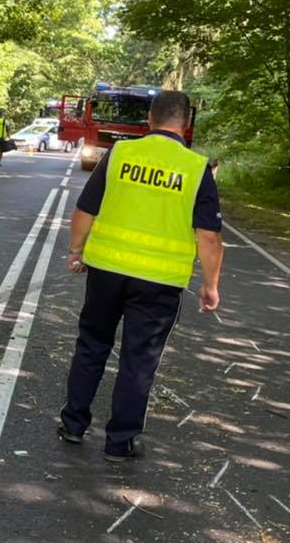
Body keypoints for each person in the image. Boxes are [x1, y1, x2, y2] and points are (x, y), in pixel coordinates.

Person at [57, 89, 222, 462]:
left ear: (150, 118)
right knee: (139, 359)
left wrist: (76, 251)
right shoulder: (196, 169)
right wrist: (210, 285)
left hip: (106, 271)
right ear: (188, 121)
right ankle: (120, 442)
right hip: (159, 282)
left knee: (91, 344)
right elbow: (209, 237)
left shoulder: (120, 155)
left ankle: (73, 423)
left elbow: (85, 209)